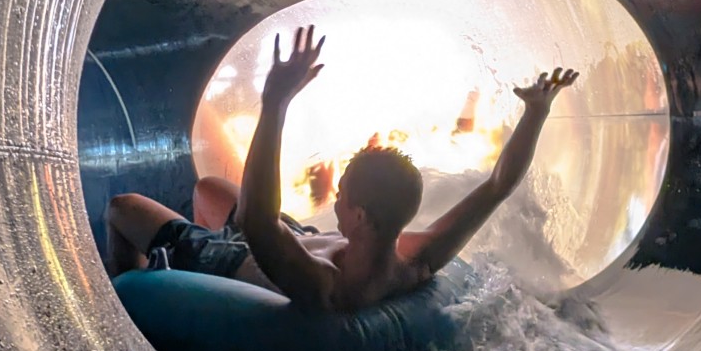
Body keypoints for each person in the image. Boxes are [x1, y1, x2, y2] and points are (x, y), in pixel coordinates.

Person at [104, 24, 579, 312]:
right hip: (298, 231)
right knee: (208, 188)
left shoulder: (326, 284)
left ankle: (135, 300)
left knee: (122, 209)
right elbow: (498, 186)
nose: (336, 199)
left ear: (360, 217)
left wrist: (275, 104)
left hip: (235, 260)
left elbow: (256, 223)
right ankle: (188, 247)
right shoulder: (416, 256)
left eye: (344, 196)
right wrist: (536, 112)